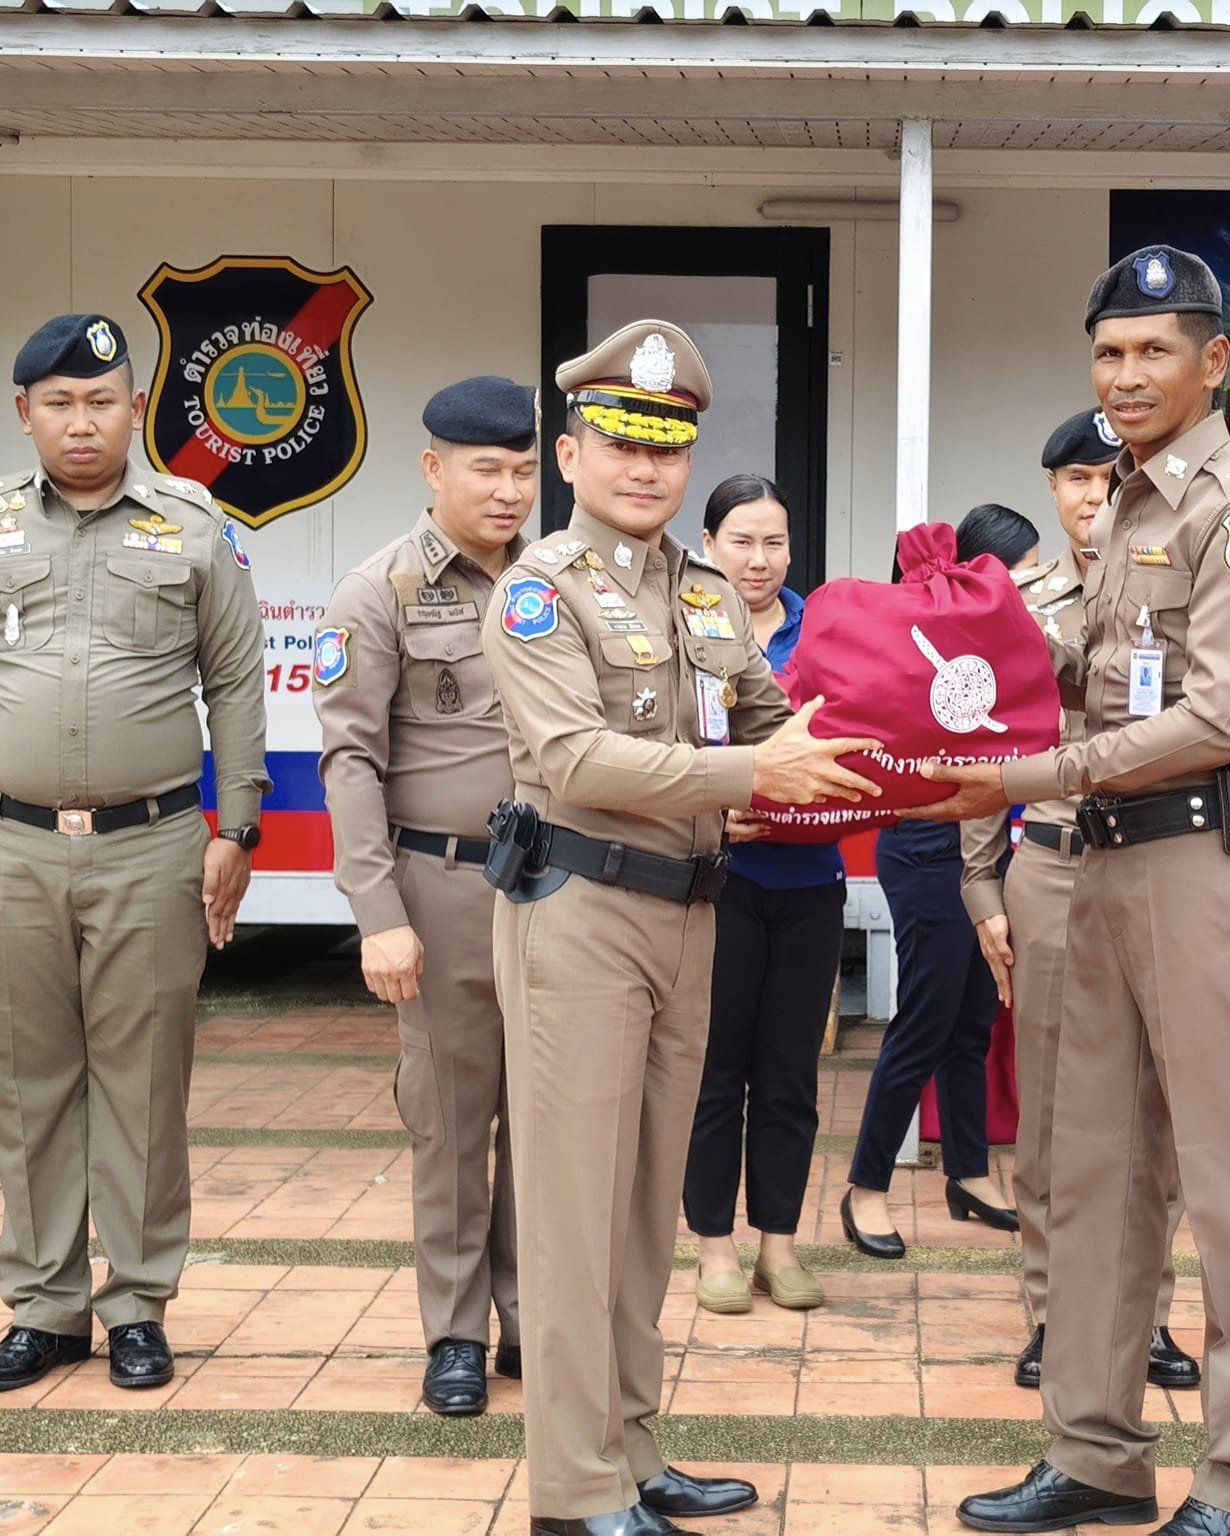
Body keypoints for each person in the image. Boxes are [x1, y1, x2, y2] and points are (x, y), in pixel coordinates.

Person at [483, 319, 889, 1536]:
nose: (645, 467)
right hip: (580, 913)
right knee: (574, 1213)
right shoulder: (539, 590)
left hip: (687, 916)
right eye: (620, 442)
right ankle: (573, 1490)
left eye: (666, 446)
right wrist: (753, 775)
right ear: (570, 454)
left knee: (643, 1209)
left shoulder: (704, 593)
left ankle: (629, 1447)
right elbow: (575, 758)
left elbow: (785, 719)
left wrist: (928, 734)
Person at [933, 246, 1230, 1536]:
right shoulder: (1130, 508)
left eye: (1154, 350)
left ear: (1213, 361)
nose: (1126, 374)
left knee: (1225, 1181)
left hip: (1202, 868)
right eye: (1108, 352)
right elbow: (1084, 675)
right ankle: (1093, 1453)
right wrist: (938, 648)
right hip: (1098, 864)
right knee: (1093, 1170)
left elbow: (1212, 716)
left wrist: (1019, 775)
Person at [0, 313, 269, 1395]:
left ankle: (139, 1303)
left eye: (101, 402)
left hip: (151, 845)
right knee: (25, 1082)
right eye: (59, 404)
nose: (81, 422)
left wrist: (236, 827)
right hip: (5, 844)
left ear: (134, 410)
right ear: (24, 413)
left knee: (144, 1083)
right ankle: (45, 1308)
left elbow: (235, 684)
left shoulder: (192, 528)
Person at [959, 410, 1198, 1393]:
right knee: (1054, 1112)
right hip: (1053, 871)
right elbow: (986, 743)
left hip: (1161, 867)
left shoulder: (1187, 590)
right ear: (1053, 491)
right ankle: (1053, 1314)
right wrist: (982, 884)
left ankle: (1146, 1316)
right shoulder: (1019, 604)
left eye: (1111, 477)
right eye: (1076, 480)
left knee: (1154, 1109)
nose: (1095, 496)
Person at [314, 376, 539, 1415]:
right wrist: (379, 917)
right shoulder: (380, 590)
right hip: (441, 887)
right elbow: (350, 762)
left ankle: (532, 1321)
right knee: (449, 1122)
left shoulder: (557, 579)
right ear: (434, 468)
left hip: (559, 888)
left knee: (547, 1120)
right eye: (486, 470)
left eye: (524, 471)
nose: (508, 492)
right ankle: (454, 1332)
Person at [841, 504, 1040, 1260]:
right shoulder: (936, 648)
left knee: (972, 1021)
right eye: (1020, 576)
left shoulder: (1001, 648)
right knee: (925, 1020)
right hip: (928, 847)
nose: (1028, 590)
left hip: (985, 851)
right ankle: (865, 1188)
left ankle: (969, 1173)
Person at [682, 474, 846, 1315]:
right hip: (720, 884)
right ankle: (714, 1246)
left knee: (789, 1074)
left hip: (811, 880)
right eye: (741, 541)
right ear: (708, 545)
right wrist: (714, 806)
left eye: (774, 542)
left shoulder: (828, 630)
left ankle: (778, 1245)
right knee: (716, 1071)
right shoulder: (682, 627)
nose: (758, 559)